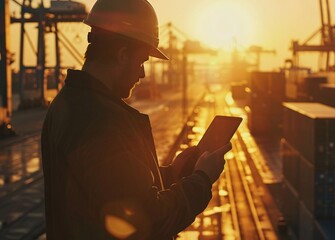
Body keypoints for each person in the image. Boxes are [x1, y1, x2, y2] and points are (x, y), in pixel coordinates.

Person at [41, 0, 231, 239]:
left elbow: (111, 187)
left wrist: (173, 173)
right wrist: (201, 180)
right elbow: (147, 221)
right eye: (142, 62)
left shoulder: (67, 105)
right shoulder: (102, 122)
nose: (142, 73)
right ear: (122, 55)